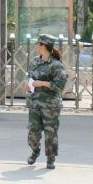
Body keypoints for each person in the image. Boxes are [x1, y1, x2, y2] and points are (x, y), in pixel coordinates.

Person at [27, 34, 68, 169]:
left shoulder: (56, 65)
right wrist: (29, 85)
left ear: (43, 46)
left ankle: (50, 158)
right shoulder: (34, 62)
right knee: (33, 132)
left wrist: (42, 83)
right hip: (34, 103)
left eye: (38, 44)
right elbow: (31, 78)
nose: (36, 46)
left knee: (50, 133)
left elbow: (60, 85)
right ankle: (35, 151)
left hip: (50, 105)